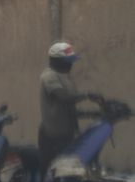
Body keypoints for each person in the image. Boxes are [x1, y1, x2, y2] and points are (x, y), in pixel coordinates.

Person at [39, 41, 103, 170]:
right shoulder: (49, 76)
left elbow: (69, 108)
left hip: (67, 132)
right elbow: (64, 98)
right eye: (67, 61)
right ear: (56, 61)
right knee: (55, 169)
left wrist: (91, 114)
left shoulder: (65, 78)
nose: (71, 64)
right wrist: (87, 95)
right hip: (53, 133)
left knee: (70, 168)